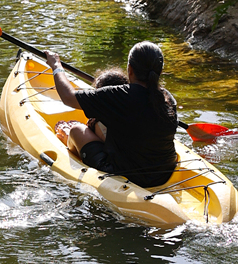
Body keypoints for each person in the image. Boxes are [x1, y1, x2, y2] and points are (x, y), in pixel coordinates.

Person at [45, 41, 178, 187]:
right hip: (166, 173)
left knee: (76, 130)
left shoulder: (120, 95)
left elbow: (68, 97)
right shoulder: (167, 98)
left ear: (130, 69)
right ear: (159, 71)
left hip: (128, 175)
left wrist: (56, 66)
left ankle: (68, 140)